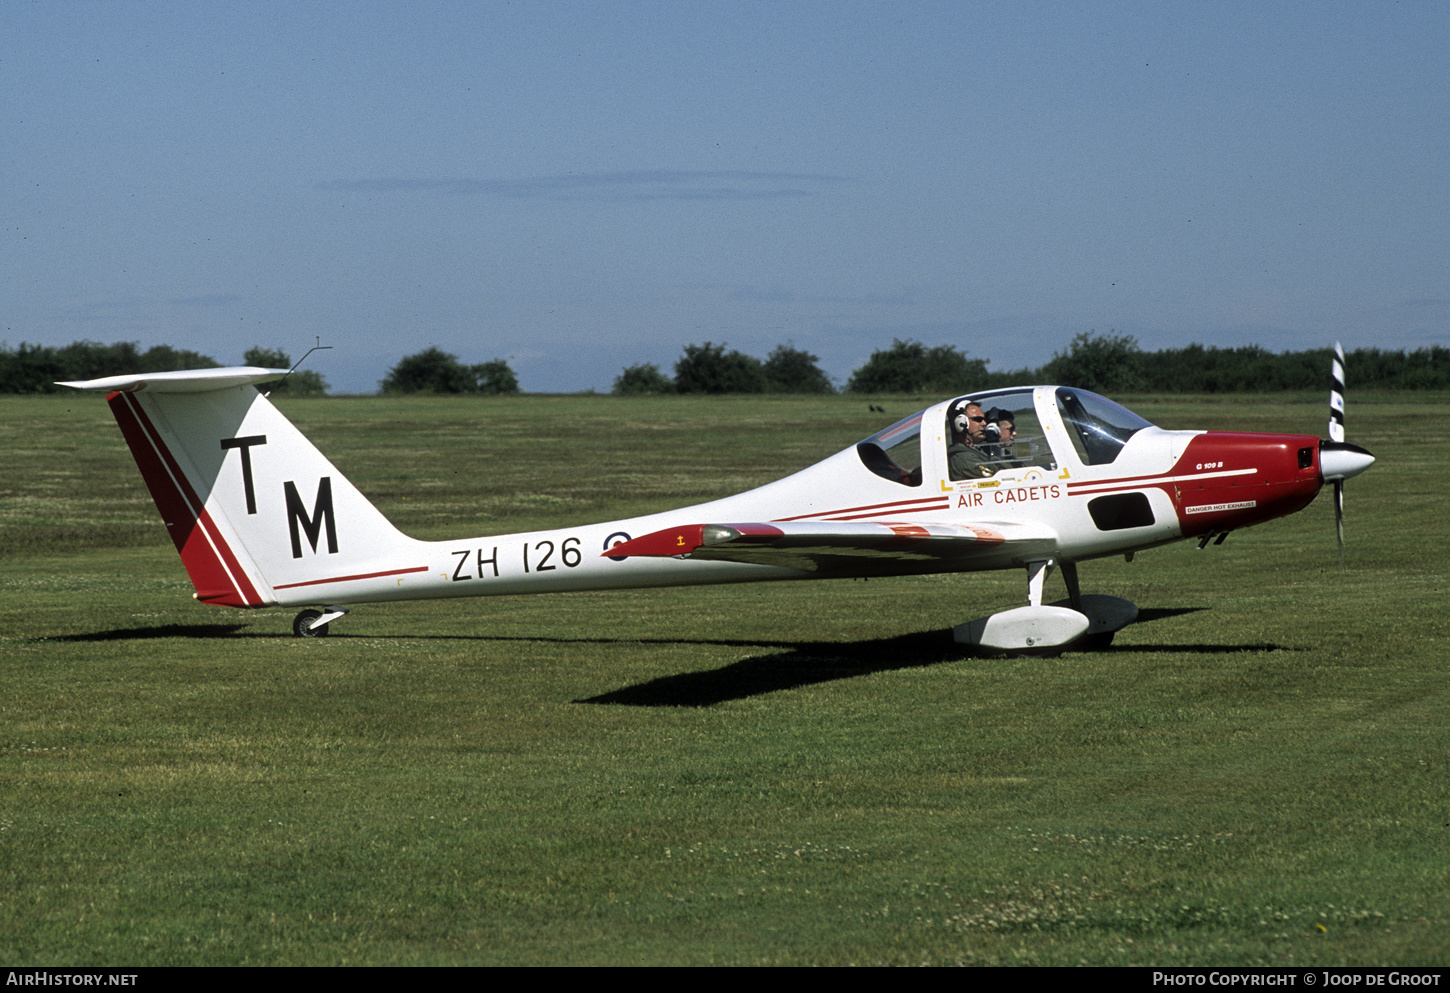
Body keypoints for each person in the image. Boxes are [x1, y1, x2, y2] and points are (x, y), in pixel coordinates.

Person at [947, 401, 993, 479]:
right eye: (978, 419)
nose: (984, 423)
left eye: (984, 419)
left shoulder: (977, 450)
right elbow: (993, 475)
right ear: (961, 422)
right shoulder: (963, 458)